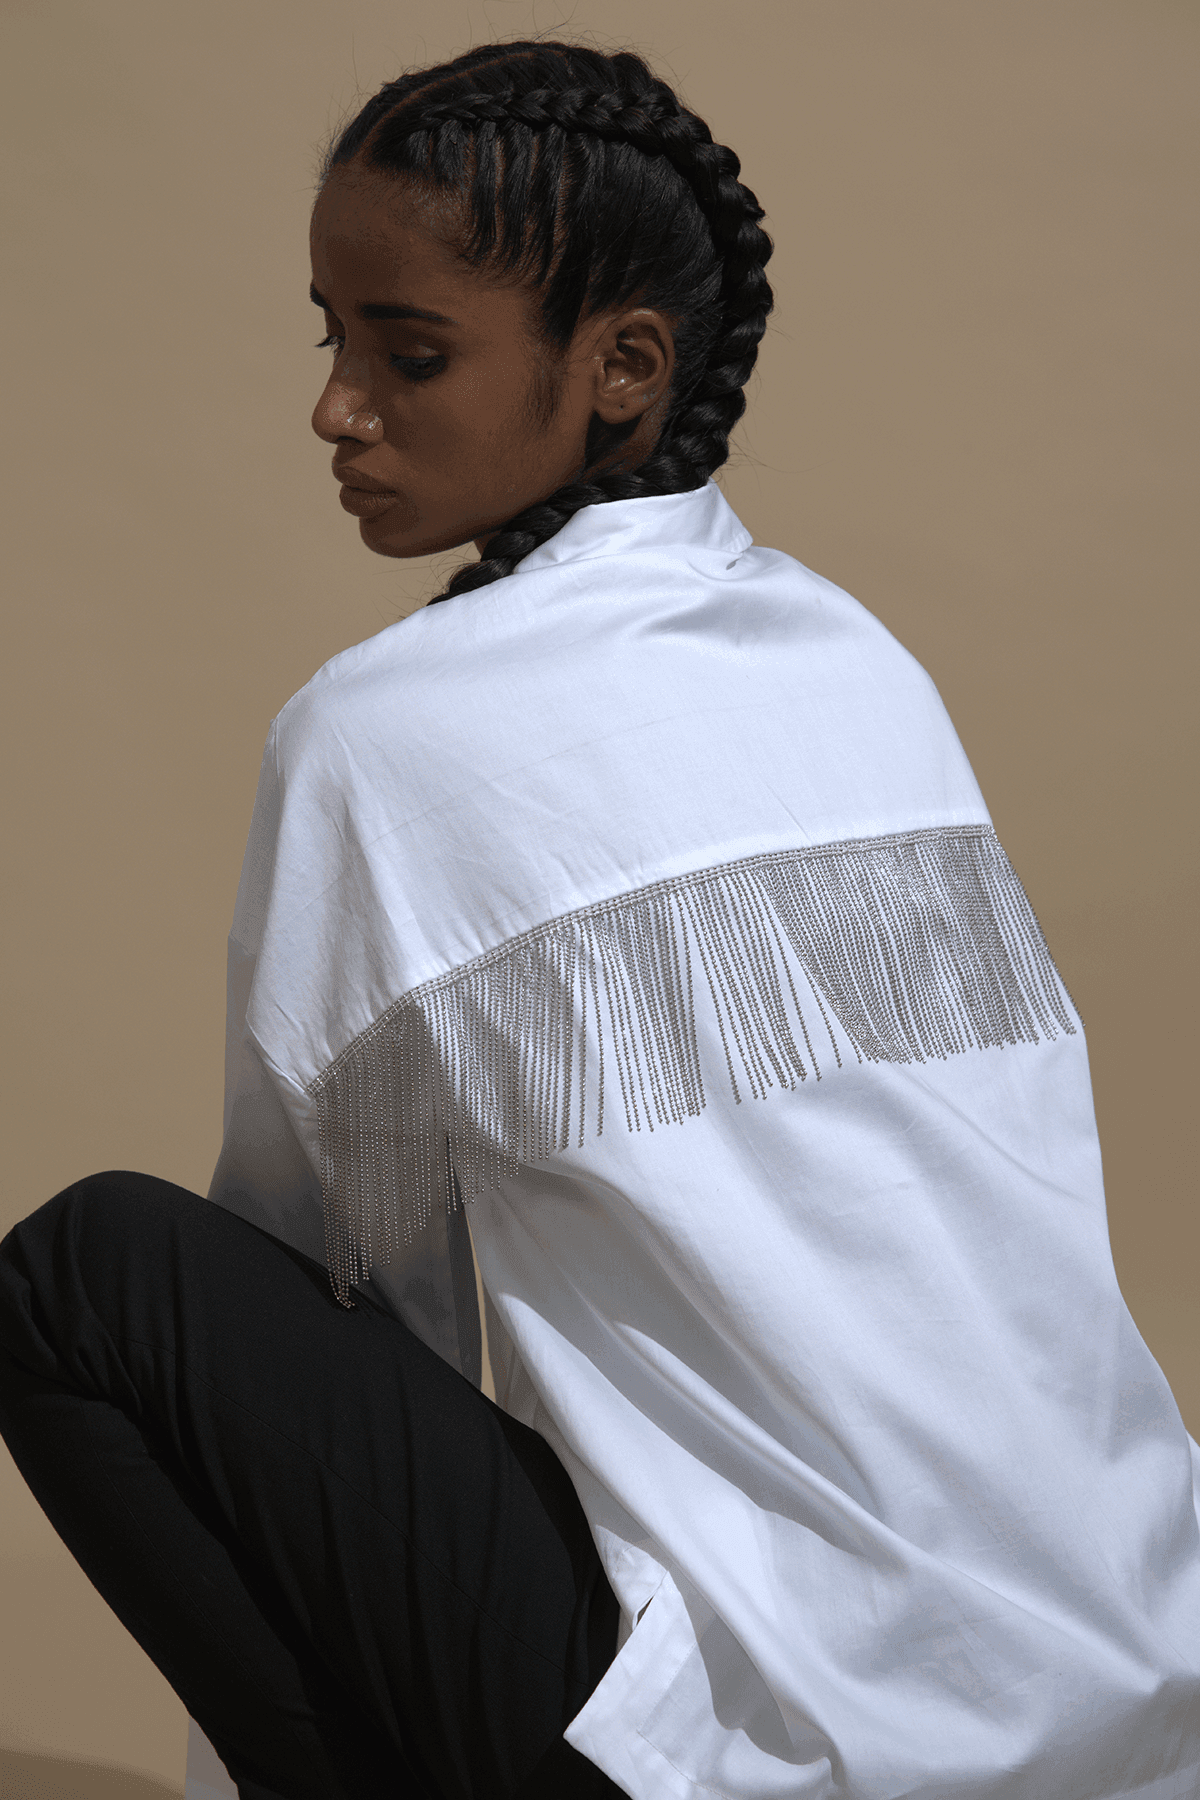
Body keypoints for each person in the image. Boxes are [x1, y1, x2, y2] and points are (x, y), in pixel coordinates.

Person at [1, 36, 1198, 1800]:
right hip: (1141, 1666)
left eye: (408, 354)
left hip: (782, 1742)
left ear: (622, 367)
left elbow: (334, 1292)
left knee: (92, 1280)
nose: (338, 408)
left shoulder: (381, 734)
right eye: (330, 340)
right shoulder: (855, 656)